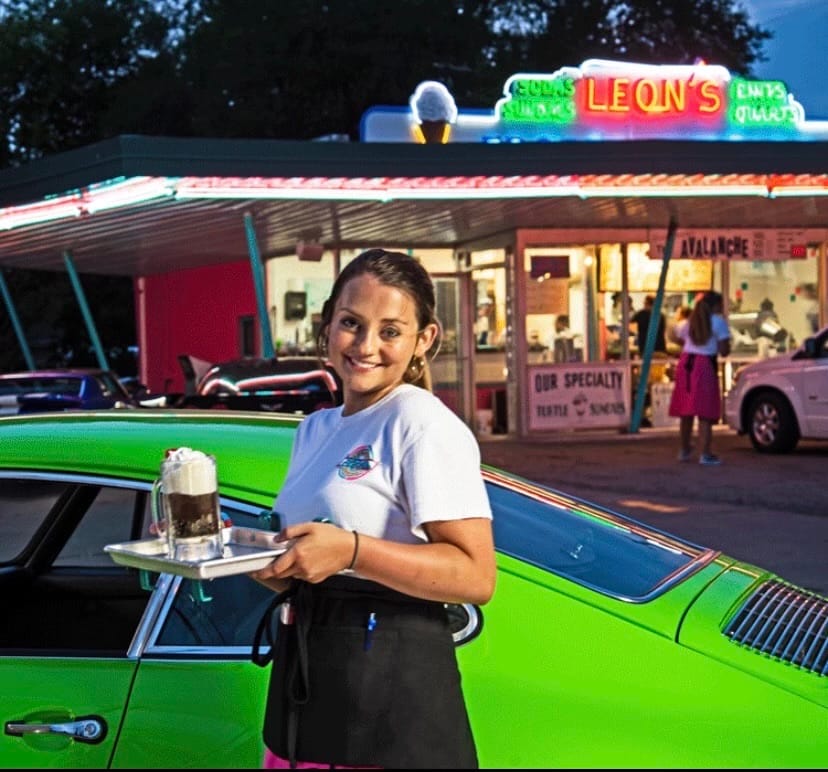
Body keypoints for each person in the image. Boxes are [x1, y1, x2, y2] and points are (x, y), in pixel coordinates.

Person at [249, 248, 496, 769]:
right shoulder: (315, 428)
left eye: (390, 330)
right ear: (327, 327)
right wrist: (231, 551)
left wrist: (351, 551)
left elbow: (475, 576)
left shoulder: (422, 423)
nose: (365, 346)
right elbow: (312, 575)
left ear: (423, 339)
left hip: (390, 706)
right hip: (311, 689)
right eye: (351, 324)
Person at [668, 290, 731, 465]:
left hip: (686, 363)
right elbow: (724, 350)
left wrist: (685, 344)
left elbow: (673, 334)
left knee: (686, 411)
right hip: (704, 365)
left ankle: (684, 449)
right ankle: (705, 452)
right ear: (716, 305)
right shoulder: (718, 322)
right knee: (705, 411)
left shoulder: (688, 322)